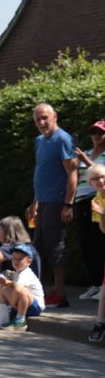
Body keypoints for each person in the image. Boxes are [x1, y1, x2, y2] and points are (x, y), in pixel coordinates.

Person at [27, 103, 77, 308]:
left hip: (57, 202)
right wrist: (35, 202)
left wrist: (68, 204)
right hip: (43, 202)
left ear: (54, 116)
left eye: (45, 118)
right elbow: (42, 172)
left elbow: (72, 174)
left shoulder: (63, 139)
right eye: (38, 119)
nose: (41, 122)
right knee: (37, 249)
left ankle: (60, 294)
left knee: (55, 248)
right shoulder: (39, 141)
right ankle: (41, 292)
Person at [75, 121, 105, 300]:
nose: (96, 136)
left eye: (100, 133)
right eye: (94, 132)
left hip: (98, 198)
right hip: (81, 200)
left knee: (99, 240)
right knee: (86, 242)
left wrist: (85, 161)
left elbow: (100, 175)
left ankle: (102, 285)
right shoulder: (84, 152)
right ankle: (95, 284)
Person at [0, 243, 45, 333]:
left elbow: (18, 289)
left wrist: (12, 304)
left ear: (28, 262)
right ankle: (3, 319)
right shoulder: (18, 272)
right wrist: (5, 282)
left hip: (35, 307)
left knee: (23, 291)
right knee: (2, 287)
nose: (16, 261)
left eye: (20, 259)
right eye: (14, 258)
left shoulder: (26, 273)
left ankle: (20, 321)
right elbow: (14, 284)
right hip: (24, 304)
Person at [86, 164, 105, 344]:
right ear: (90, 183)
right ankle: (100, 324)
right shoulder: (96, 201)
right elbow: (103, 229)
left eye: (103, 176)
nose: (100, 181)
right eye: (95, 178)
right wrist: (102, 214)